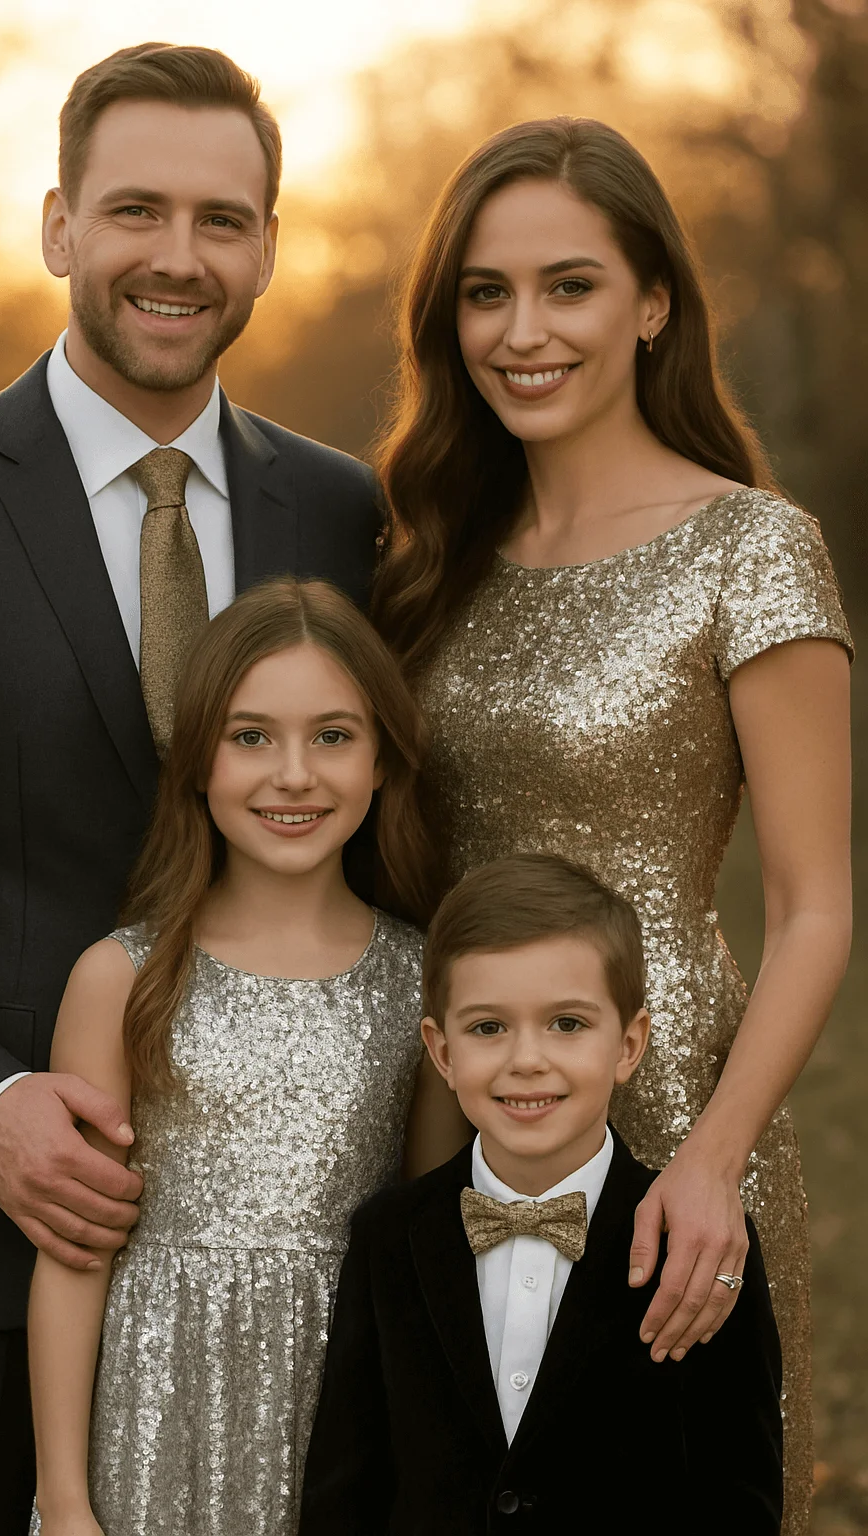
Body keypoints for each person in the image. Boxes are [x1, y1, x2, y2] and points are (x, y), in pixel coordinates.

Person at [0, 44, 383, 1534]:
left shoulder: (339, 511)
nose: (178, 257)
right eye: (136, 209)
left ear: (269, 243)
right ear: (58, 227)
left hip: (292, 1265)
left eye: (223, 220)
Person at [370, 117, 851, 1534]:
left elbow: (818, 904)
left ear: (652, 303)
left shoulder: (751, 546)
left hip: (671, 1096)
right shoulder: (426, 556)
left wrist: (712, 1158)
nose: (522, 330)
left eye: (568, 285)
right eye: (484, 291)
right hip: (450, 1084)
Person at [27, 578, 429, 1536]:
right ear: (198, 759)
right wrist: (65, 1500)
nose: (294, 775)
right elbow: (74, 1258)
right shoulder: (119, 977)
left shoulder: (422, 982)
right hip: (155, 1415)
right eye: (251, 737)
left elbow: (432, 1247)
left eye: (333, 736)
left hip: (346, 1417)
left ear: (381, 761)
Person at [299, 853, 784, 1535]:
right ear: (442, 1053)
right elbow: (345, 1493)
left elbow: (741, 1501)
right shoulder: (390, 1236)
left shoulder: (700, 1245)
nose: (527, 1059)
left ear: (629, 1043)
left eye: (567, 1024)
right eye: (488, 1027)